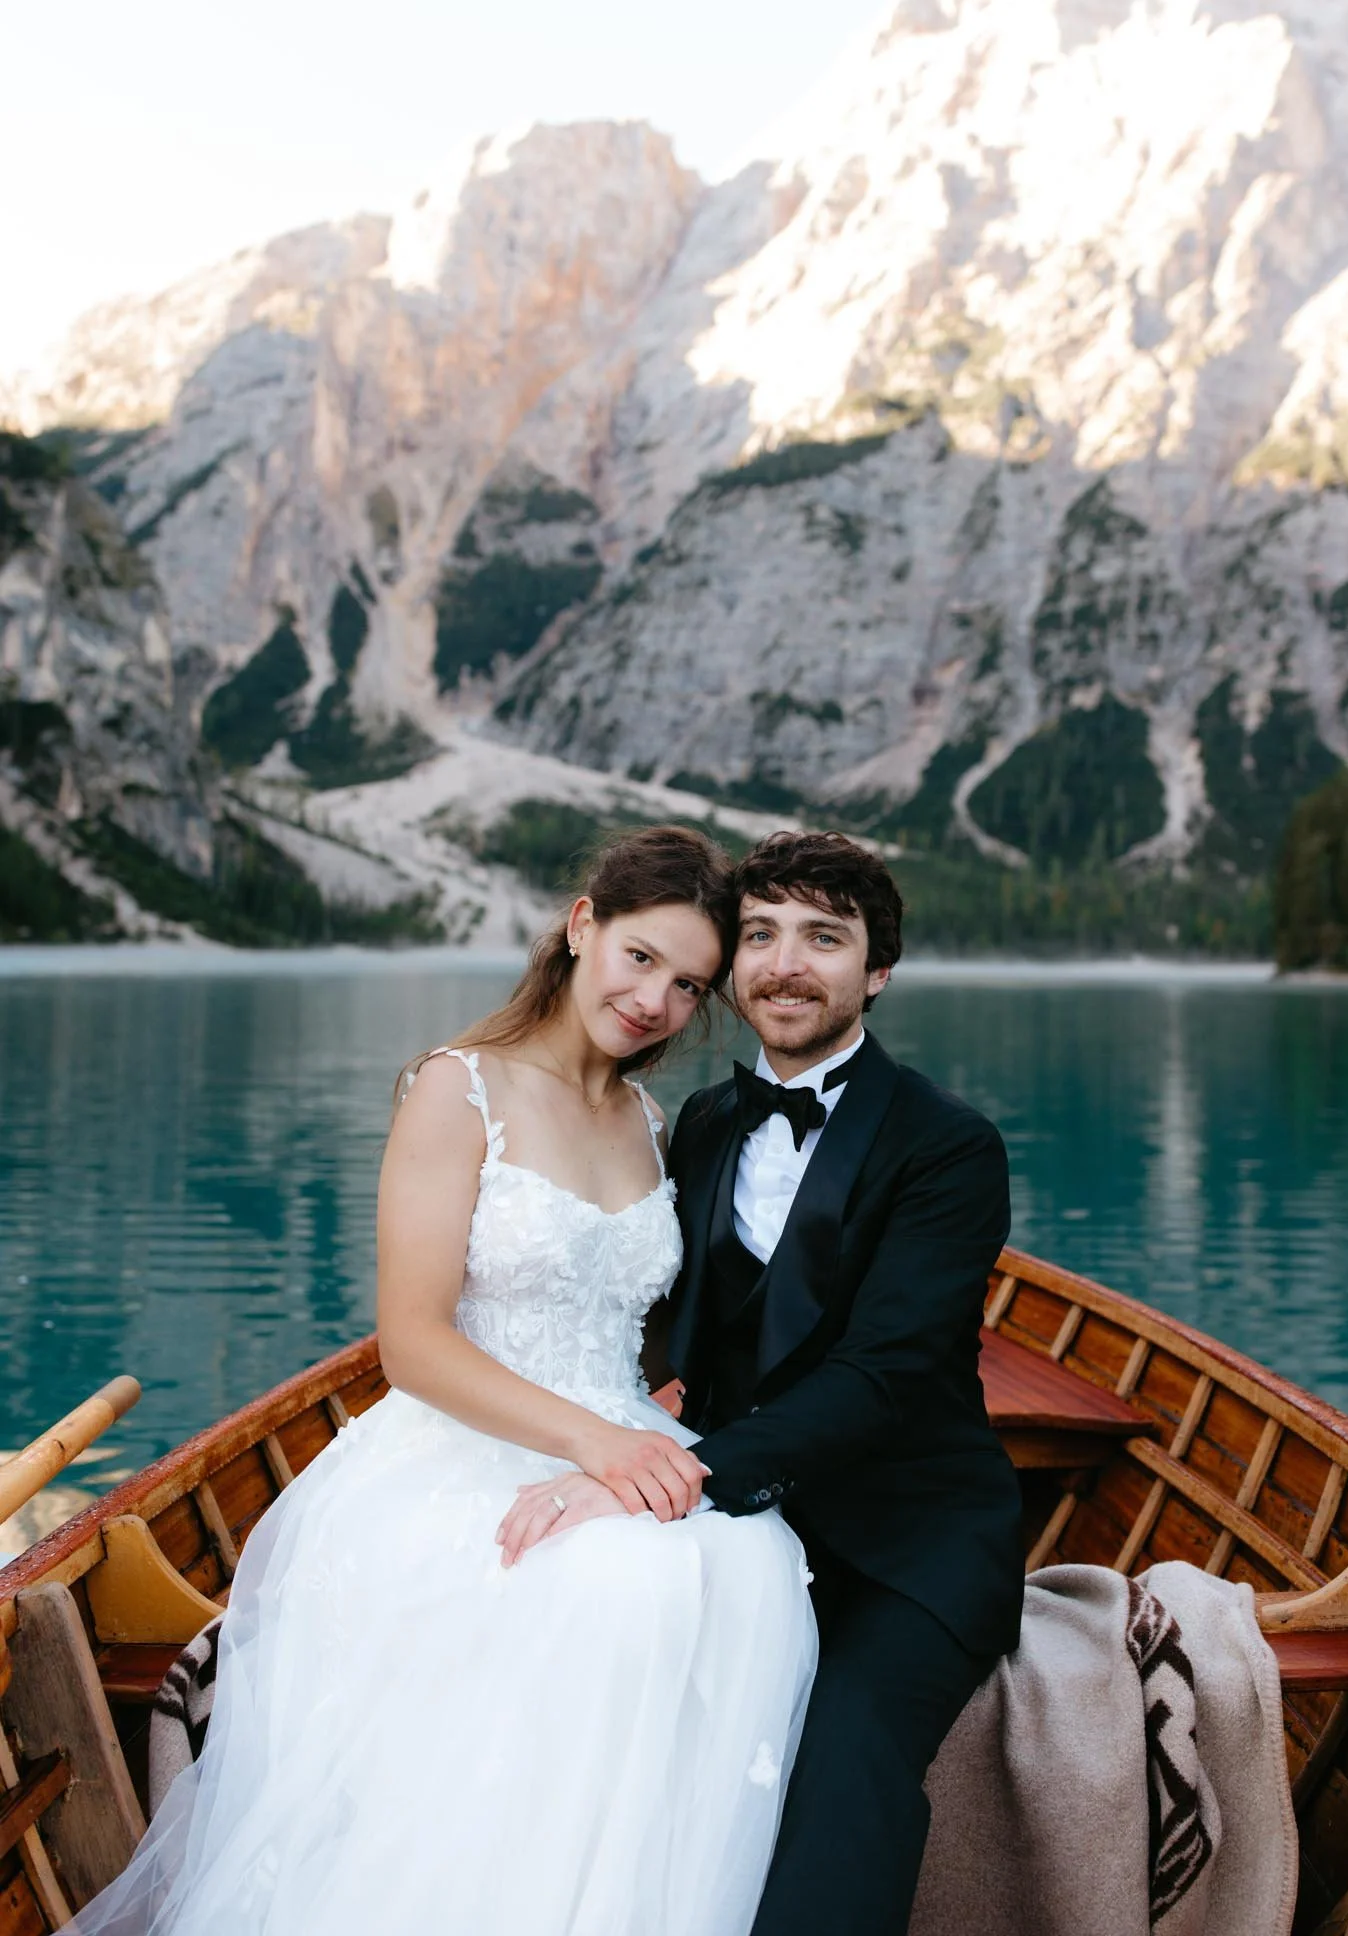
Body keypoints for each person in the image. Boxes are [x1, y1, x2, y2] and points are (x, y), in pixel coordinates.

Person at [67, 825, 818, 1936]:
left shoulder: (651, 1122)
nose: (657, 998)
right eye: (641, 956)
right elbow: (411, 1341)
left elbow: (650, 1333)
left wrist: (664, 1421)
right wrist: (598, 1447)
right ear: (581, 926)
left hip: (609, 1429)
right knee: (621, 1588)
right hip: (462, 1441)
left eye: (690, 983)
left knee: (756, 1560)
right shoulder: (455, 1087)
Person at [510, 829, 1023, 1935]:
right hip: (736, 1524)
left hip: (903, 1543)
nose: (787, 963)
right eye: (760, 934)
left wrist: (666, 1472)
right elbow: (656, 1319)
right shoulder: (699, 1122)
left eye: (823, 938)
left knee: (838, 1758)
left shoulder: (949, 1146)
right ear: (733, 969)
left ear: (875, 969)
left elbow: (883, 1377)